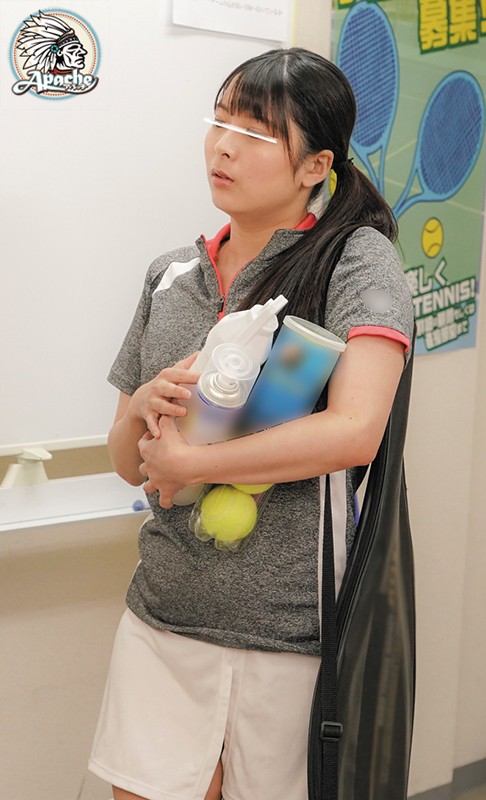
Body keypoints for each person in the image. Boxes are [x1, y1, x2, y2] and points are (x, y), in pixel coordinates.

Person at [88, 47, 414, 800]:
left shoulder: (355, 262)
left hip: (291, 634)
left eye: (257, 133)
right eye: (219, 122)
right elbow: (126, 461)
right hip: (163, 614)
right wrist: (143, 408)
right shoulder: (171, 274)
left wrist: (194, 466)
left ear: (315, 165)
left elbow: (355, 430)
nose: (224, 147)